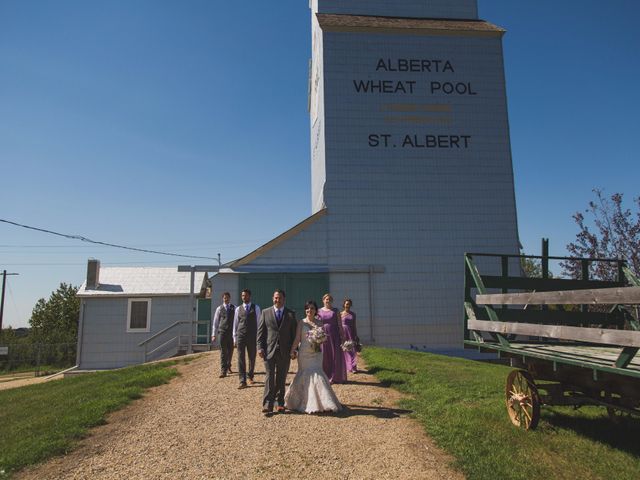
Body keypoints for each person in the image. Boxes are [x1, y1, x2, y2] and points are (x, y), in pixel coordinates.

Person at [285, 300, 342, 414]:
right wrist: (292, 350)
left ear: (316, 310)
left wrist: (320, 339)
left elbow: (323, 338)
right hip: (304, 354)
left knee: (317, 374)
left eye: (312, 308)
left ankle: (323, 402)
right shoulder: (301, 322)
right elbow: (297, 339)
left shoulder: (320, 323)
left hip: (316, 354)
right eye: (307, 308)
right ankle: (301, 401)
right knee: (305, 374)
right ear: (305, 310)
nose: (309, 310)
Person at [257, 289, 297, 413]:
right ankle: (268, 404)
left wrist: (295, 350)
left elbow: (294, 334)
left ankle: (280, 402)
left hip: (284, 351)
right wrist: (260, 347)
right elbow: (261, 332)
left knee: (281, 377)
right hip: (269, 350)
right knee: (269, 377)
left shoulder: (290, 314)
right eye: (275, 298)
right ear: (272, 298)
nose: (277, 300)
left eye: (279, 298)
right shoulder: (265, 312)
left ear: (284, 299)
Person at [233, 289, 261, 389]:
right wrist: (234, 338)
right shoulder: (238, 309)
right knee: (241, 357)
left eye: (245, 295)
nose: (244, 297)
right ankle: (242, 380)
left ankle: (250, 375)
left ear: (250, 296)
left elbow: (259, 323)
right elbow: (235, 324)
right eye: (242, 295)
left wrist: (259, 337)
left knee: (252, 357)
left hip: (252, 336)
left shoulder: (256, 308)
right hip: (241, 335)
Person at [318, 293, 347, 384]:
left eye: (330, 299)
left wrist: (343, 337)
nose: (328, 301)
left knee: (335, 356)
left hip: (335, 336)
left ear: (332, 301)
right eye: (326, 299)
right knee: (325, 356)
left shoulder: (336, 311)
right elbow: (317, 324)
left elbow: (340, 324)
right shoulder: (319, 311)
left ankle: (335, 377)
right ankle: (325, 376)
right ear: (323, 300)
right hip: (323, 336)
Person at [212, 292, 235, 378]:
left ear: (230, 298)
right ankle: (223, 370)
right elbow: (215, 322)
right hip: (222, 332)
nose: (226, 299)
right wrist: (213, 334)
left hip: (231, 333)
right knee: (223, 352)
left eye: (227, 298)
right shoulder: (219, 309)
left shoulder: (234, 308)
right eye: (224, 298)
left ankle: (228, 365)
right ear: (222, 298)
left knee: (230, 351)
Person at [340, 298, 358, 374]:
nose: (348, 305)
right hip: (343, 333)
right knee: (345, 349)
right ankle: (347, 366)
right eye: (346, 304)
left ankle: (353, 366)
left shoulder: (353, 314)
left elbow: (354, 325)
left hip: (351, 333)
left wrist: (356, 335)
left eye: (349, 304)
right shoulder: (340, 314)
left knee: (352, 350)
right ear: (344, 305)